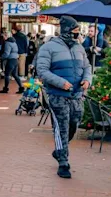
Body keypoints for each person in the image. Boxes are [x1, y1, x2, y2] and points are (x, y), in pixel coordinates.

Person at [36, 16, 92, 179]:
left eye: (78, 31)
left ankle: (60, 150)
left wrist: (87, 79)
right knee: (61, 127)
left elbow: (87, 66)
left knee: (74, 122)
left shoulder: (79, 48)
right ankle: (63, 161)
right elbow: (42, 71)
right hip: (57, 95)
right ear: (66, 31)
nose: (77, 34)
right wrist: (61, 83)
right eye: (74, 31)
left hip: (76, 95)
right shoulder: (48, 48)